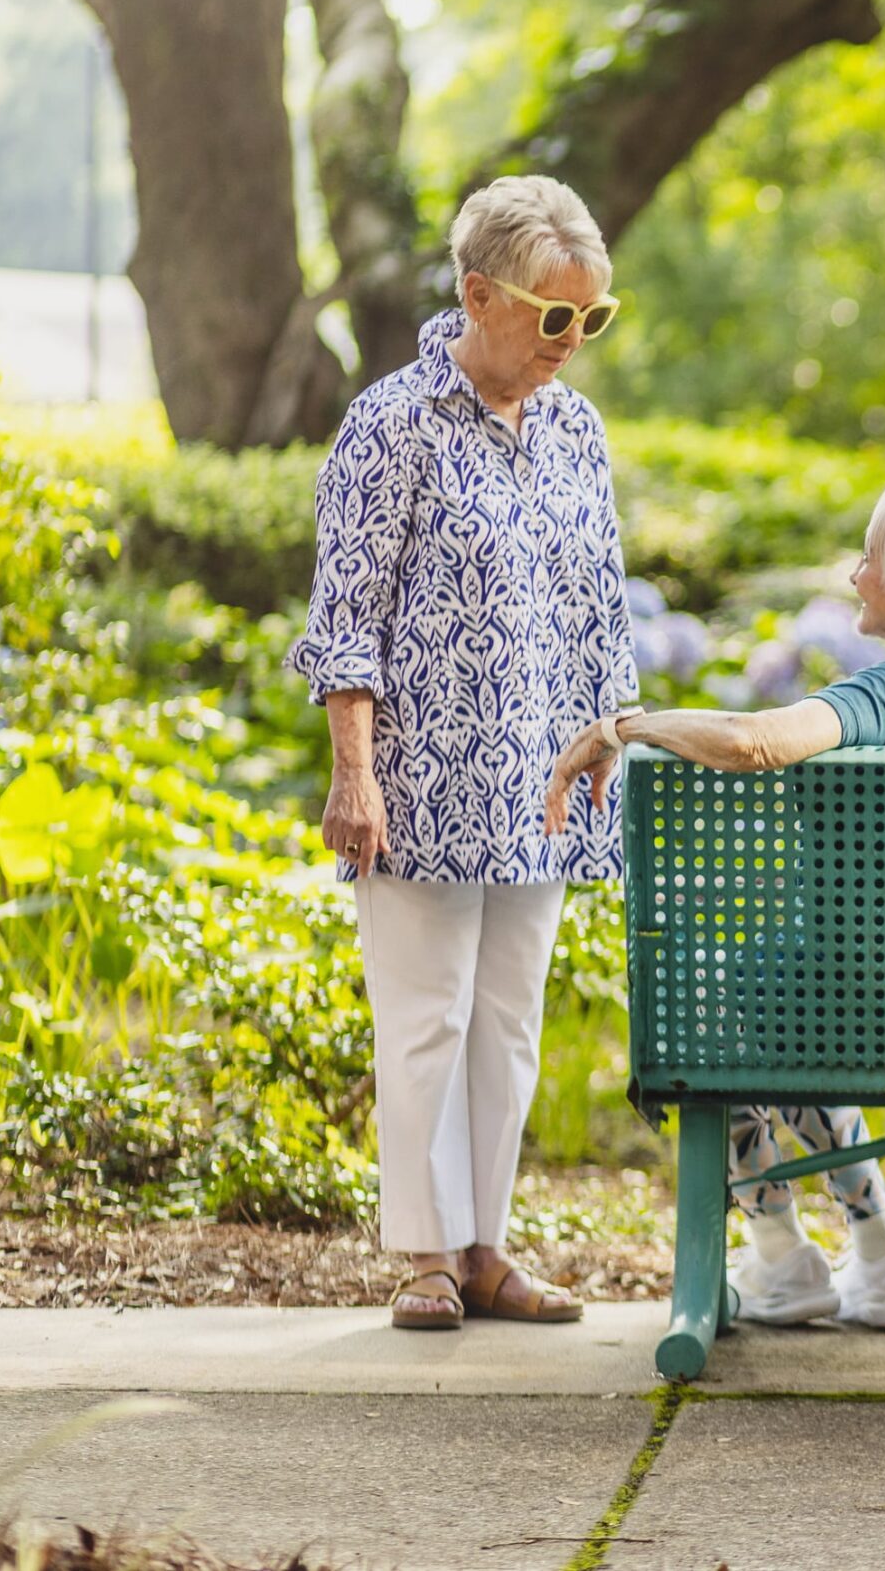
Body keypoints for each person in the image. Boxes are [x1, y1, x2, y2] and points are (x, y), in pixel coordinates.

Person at [547, 475, 885, 1329]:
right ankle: (882, 1250)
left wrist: (619, 728)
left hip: (874, 1016)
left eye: (869, 557)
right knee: (794, 990)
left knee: (703, 989)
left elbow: (756, 741)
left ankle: (783, 1251)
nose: (855, 572)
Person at [286, 174, 632, 1332]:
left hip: (543, 774)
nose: (572, 344)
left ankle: (487, 1246)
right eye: (553, 318)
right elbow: (348, 616)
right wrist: (354, 768)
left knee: (510, 1020)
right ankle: (424, 1253)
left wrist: (610, 740)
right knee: (425, 1016)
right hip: (424, 775)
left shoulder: (576, 429)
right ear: (479, 295)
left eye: (593, 319)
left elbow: (600, 606)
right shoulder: (393, 422)